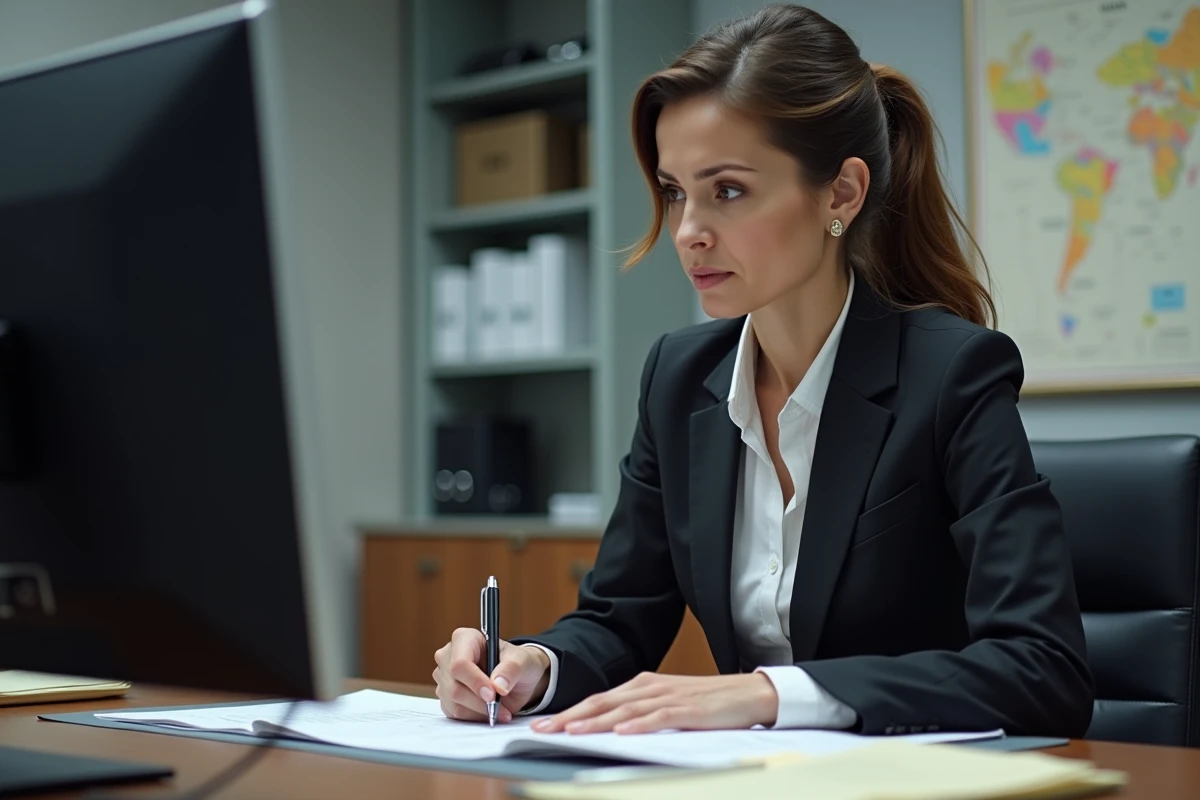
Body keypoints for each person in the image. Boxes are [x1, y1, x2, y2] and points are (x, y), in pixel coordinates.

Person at [432, 3, 1094, 738]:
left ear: (841, 193)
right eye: (677, 190)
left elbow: (1044, 670)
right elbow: (619, 622)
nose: (688, 231)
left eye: (729, 190)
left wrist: (772, 695)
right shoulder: (678, 378)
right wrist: (532, 667)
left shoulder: (953, 374)